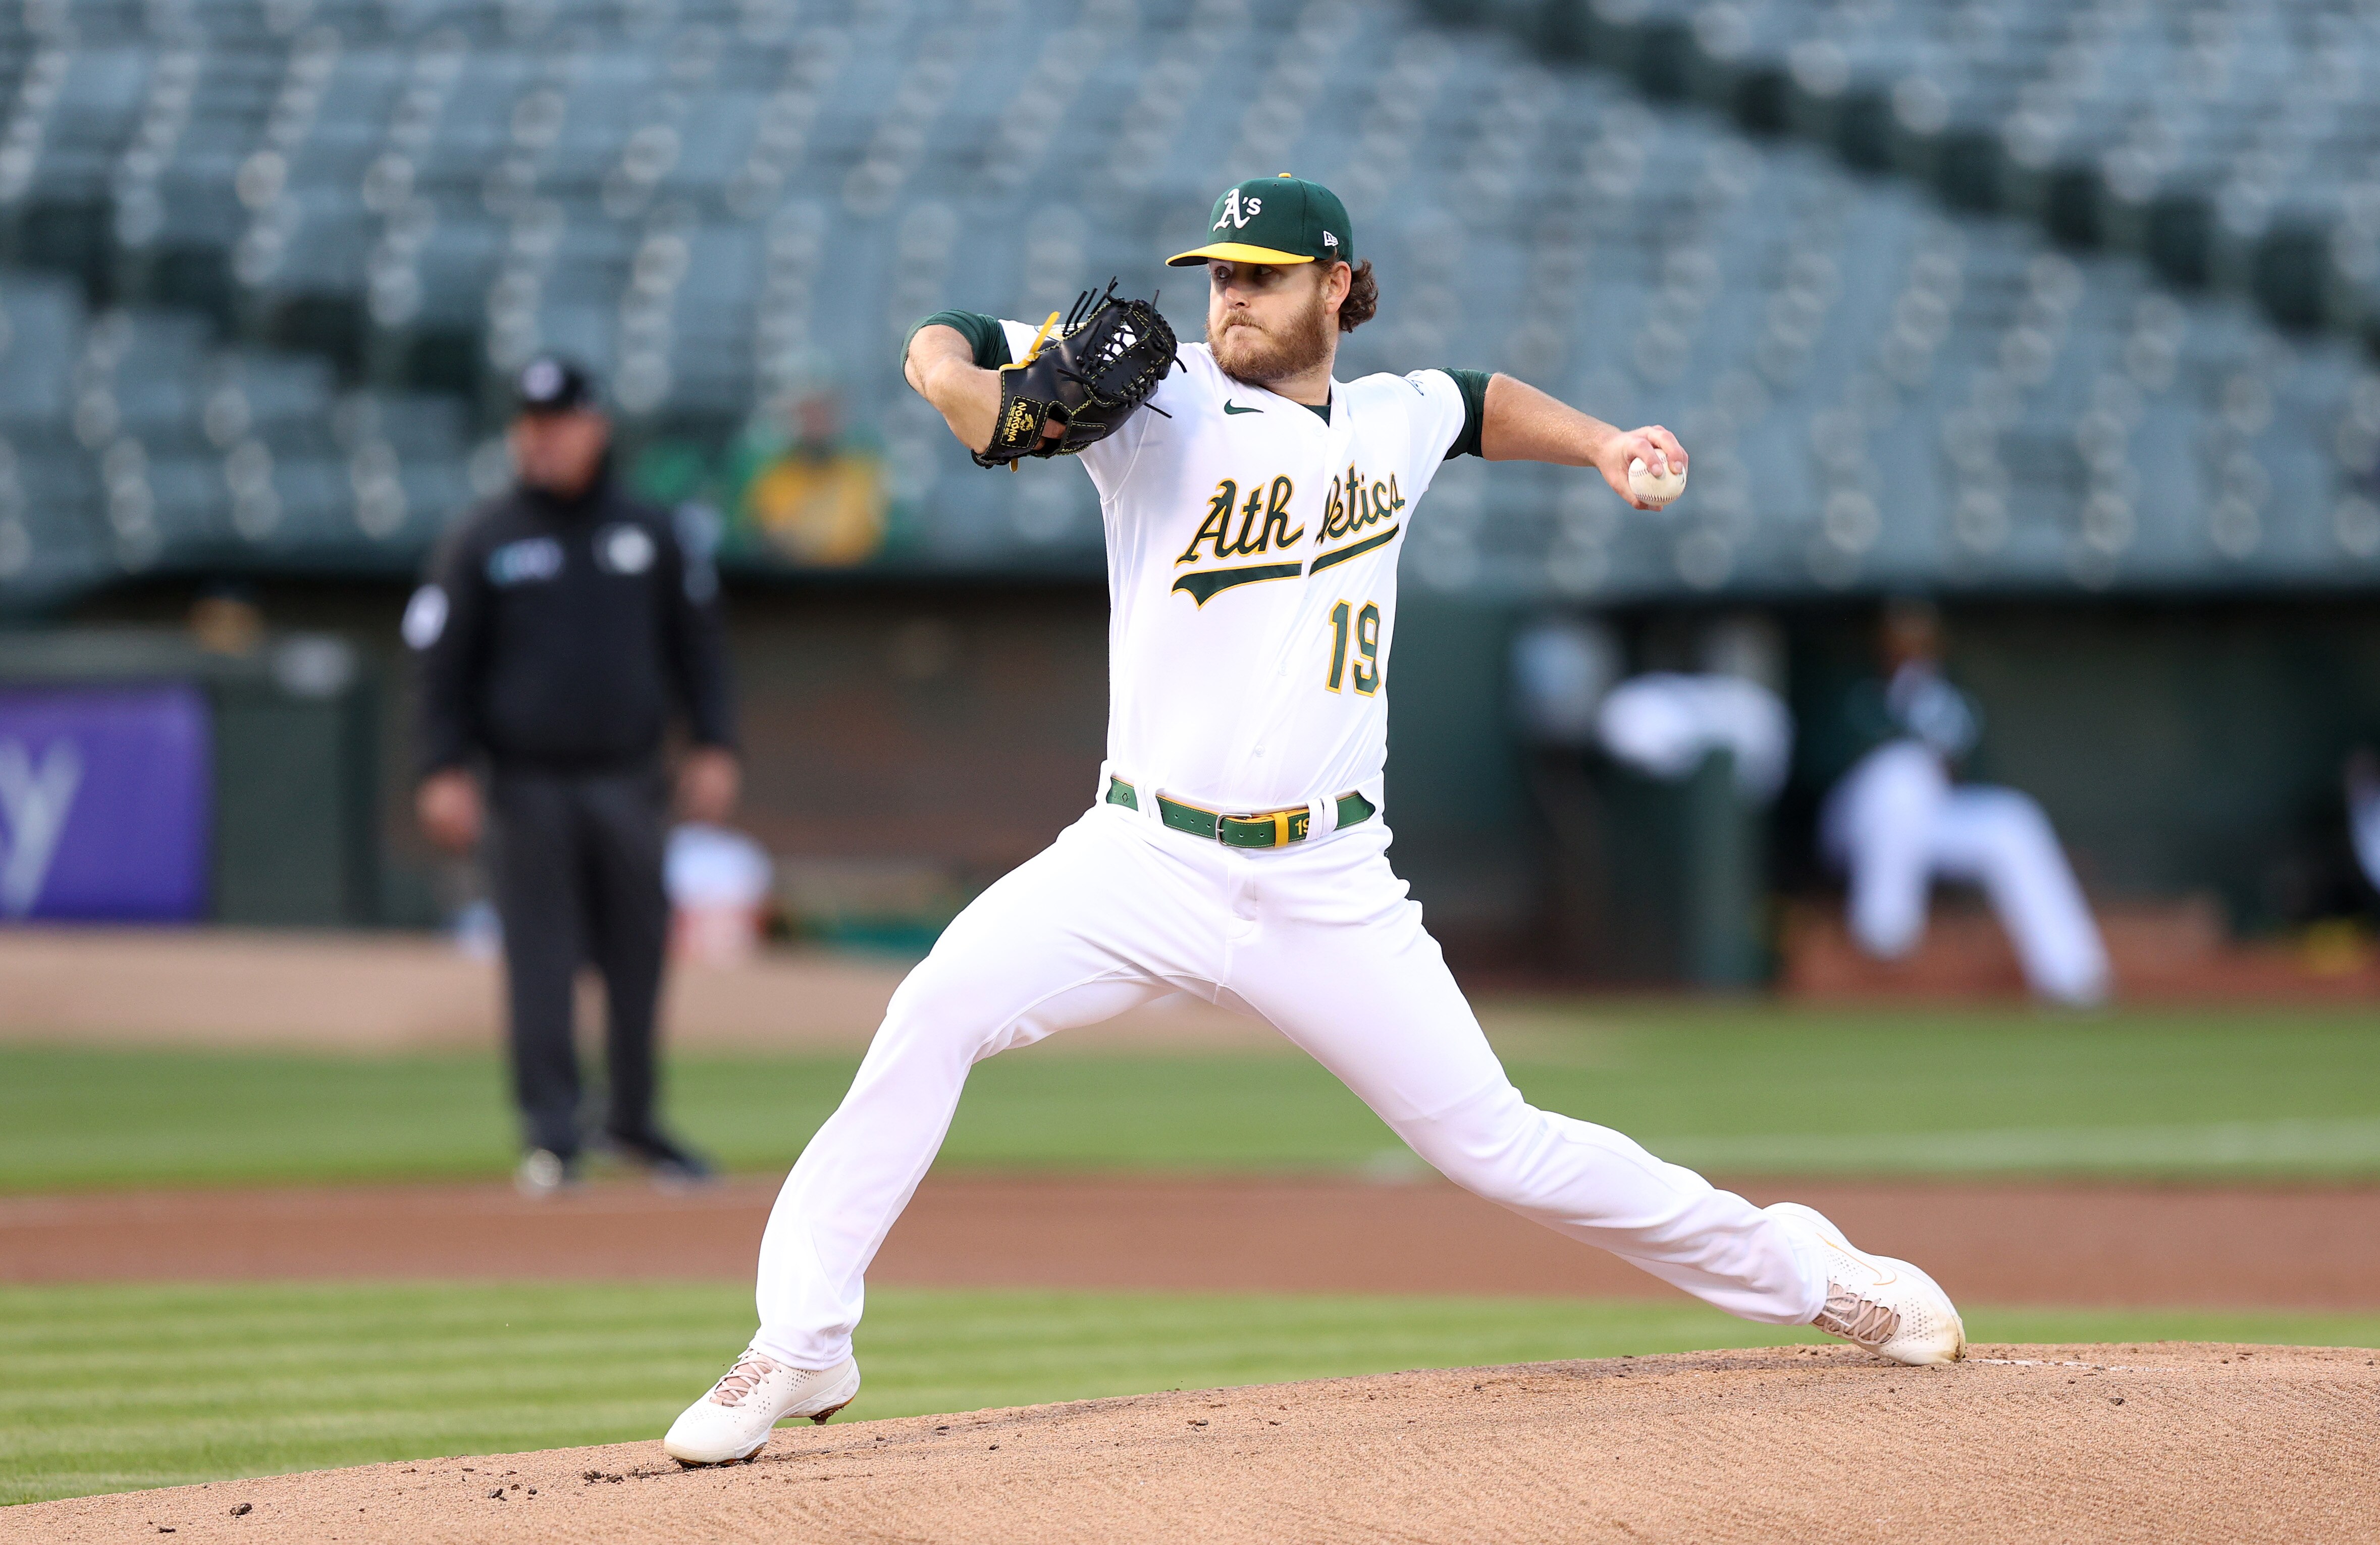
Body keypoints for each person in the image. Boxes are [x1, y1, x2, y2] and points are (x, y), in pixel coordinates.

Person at [662, 175, 1965, 1465]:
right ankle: (802, 1336)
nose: (1229, 296)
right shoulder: (1154, 392)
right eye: (1219, 273)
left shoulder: (1391, 416)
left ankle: (1803, 1269)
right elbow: (951, 338)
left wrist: (1606, 443)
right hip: (1140, 855)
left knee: (1499, 1147)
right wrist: (962, 376)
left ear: (1336, 286)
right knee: (931, 1012)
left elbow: (1475, 404)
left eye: (1260, 274)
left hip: (1330, 879)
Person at [408, 356, 739, 1194]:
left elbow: (699, 647)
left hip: (630, 778)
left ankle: (633, 1120)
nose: (541, 440)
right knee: (543, 959)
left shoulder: (650, 530)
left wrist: (713, 743)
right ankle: (553, 1133)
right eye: (529, 425)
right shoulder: (484, 537)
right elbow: (441, 664)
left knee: (638, 956)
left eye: (557, 424)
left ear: (594, 427)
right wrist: (441, 767)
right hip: (526, 782)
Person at [1819, 601, 2110, 1006]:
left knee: (2013, 819)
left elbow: (1974, 775)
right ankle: (1883, 934)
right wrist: (1904, 720)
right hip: (1857, 825)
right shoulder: (1856, 693)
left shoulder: (1952, 702)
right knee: (1900, 775)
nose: (1910, 650)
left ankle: (2071, 977)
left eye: (1920, 641)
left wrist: (1941, 746)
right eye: (1900, 640)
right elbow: (1833, 763)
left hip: (1925, 823)